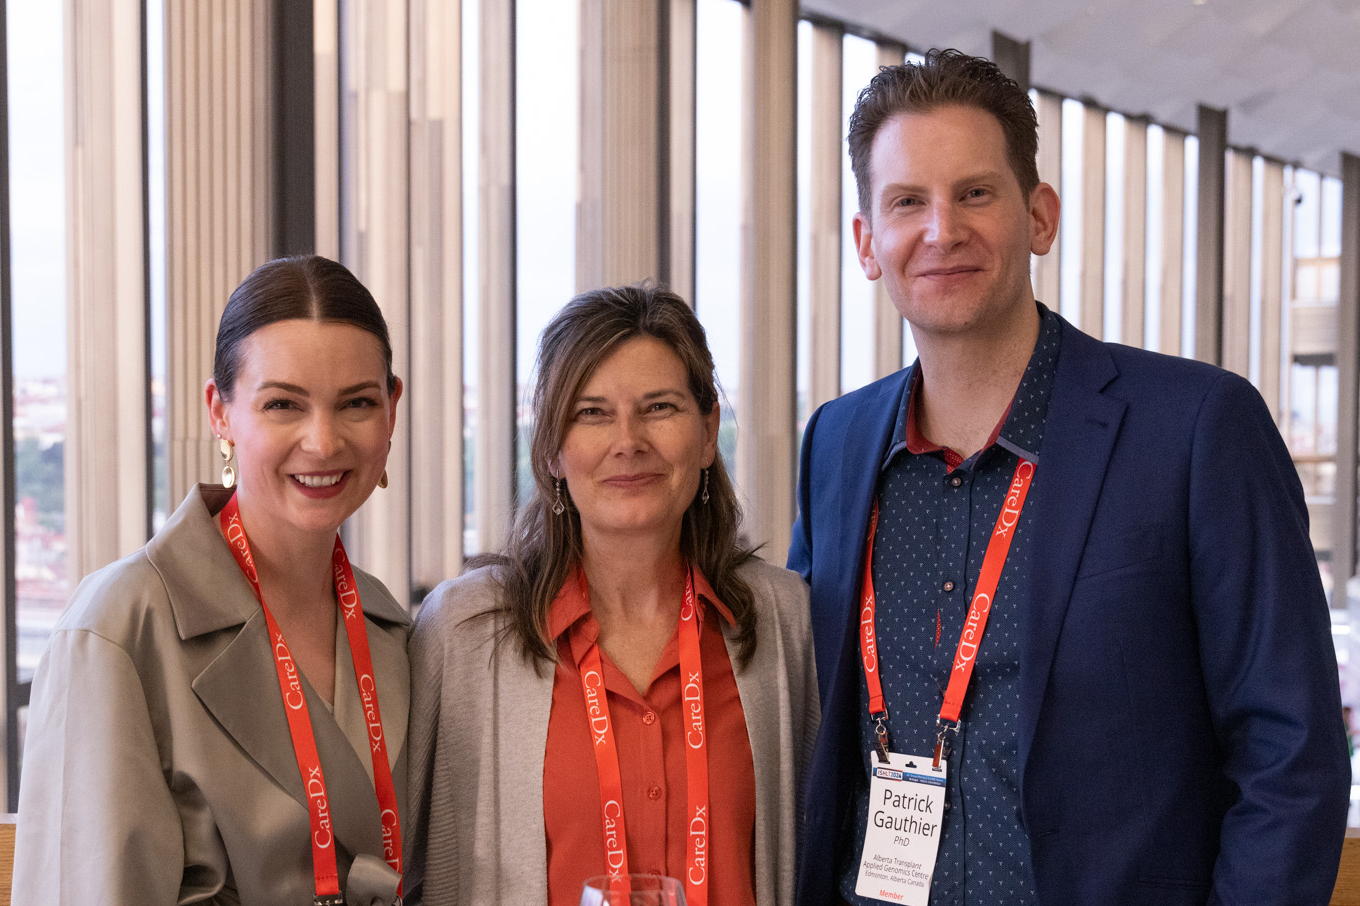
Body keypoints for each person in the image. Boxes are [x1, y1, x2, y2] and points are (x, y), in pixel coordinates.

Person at [789, 49, 1350, 906]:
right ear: (867, 244)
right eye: (907, 201)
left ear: (1039, 217)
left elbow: (1290, 752)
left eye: (975, 192)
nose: (941, 230)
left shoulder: (1196, 428)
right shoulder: (836, 444)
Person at [13, 255, 409, 905]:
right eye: (283, 404)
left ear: (391, 412)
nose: (323, 440)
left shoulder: (392, 629)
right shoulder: (116, 631)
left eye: (356, 403)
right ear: (218, 412)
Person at [405, 284, 818, 906]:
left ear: (708, 435)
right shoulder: (463, 633)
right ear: (550, 449)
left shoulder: (785, 619)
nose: (628, 440)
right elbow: (410, 863)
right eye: (591, 413)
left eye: (659, 408)